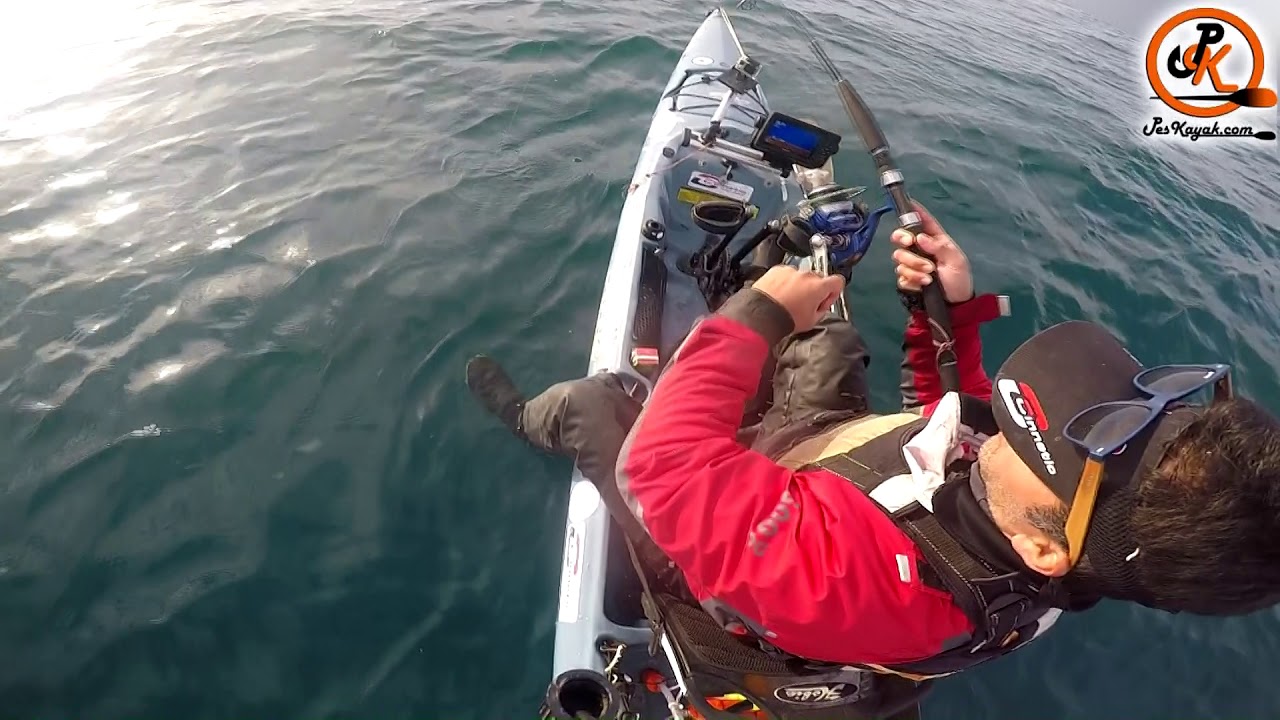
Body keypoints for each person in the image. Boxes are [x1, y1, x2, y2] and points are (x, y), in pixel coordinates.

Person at [468, 205, 1280, 690]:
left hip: (746, 541)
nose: (1003, 430)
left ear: (1044, 547)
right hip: (834, 475)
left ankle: (523, 418)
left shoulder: (853, 580)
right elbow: (955, 423)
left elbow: (658, 471)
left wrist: (757, 316)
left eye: (1070, 440)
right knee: (830, 338)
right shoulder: (1045, 527)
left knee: (589, 407)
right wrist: (946, 312)